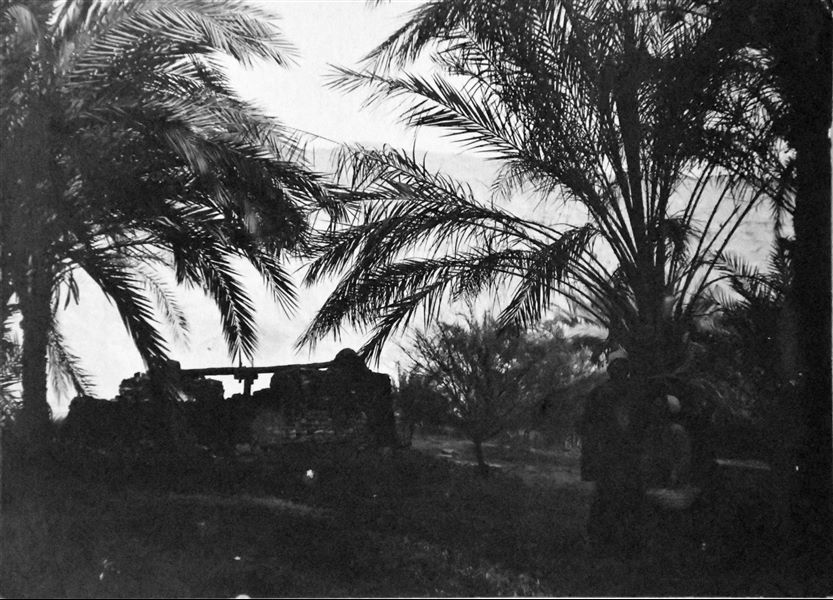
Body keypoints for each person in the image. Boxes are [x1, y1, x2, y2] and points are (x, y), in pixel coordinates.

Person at [579, 349, 645, 553]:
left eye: (622, 367)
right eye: (616, 367)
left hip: (626, 455)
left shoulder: (635, 394)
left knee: (623, 499)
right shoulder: (600, 393)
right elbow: (588, 427)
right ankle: (602, 541)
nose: (619, 371)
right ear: (610, 369)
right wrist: (590, 458)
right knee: (606, 497)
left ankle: (616, 542)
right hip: (609, 455)